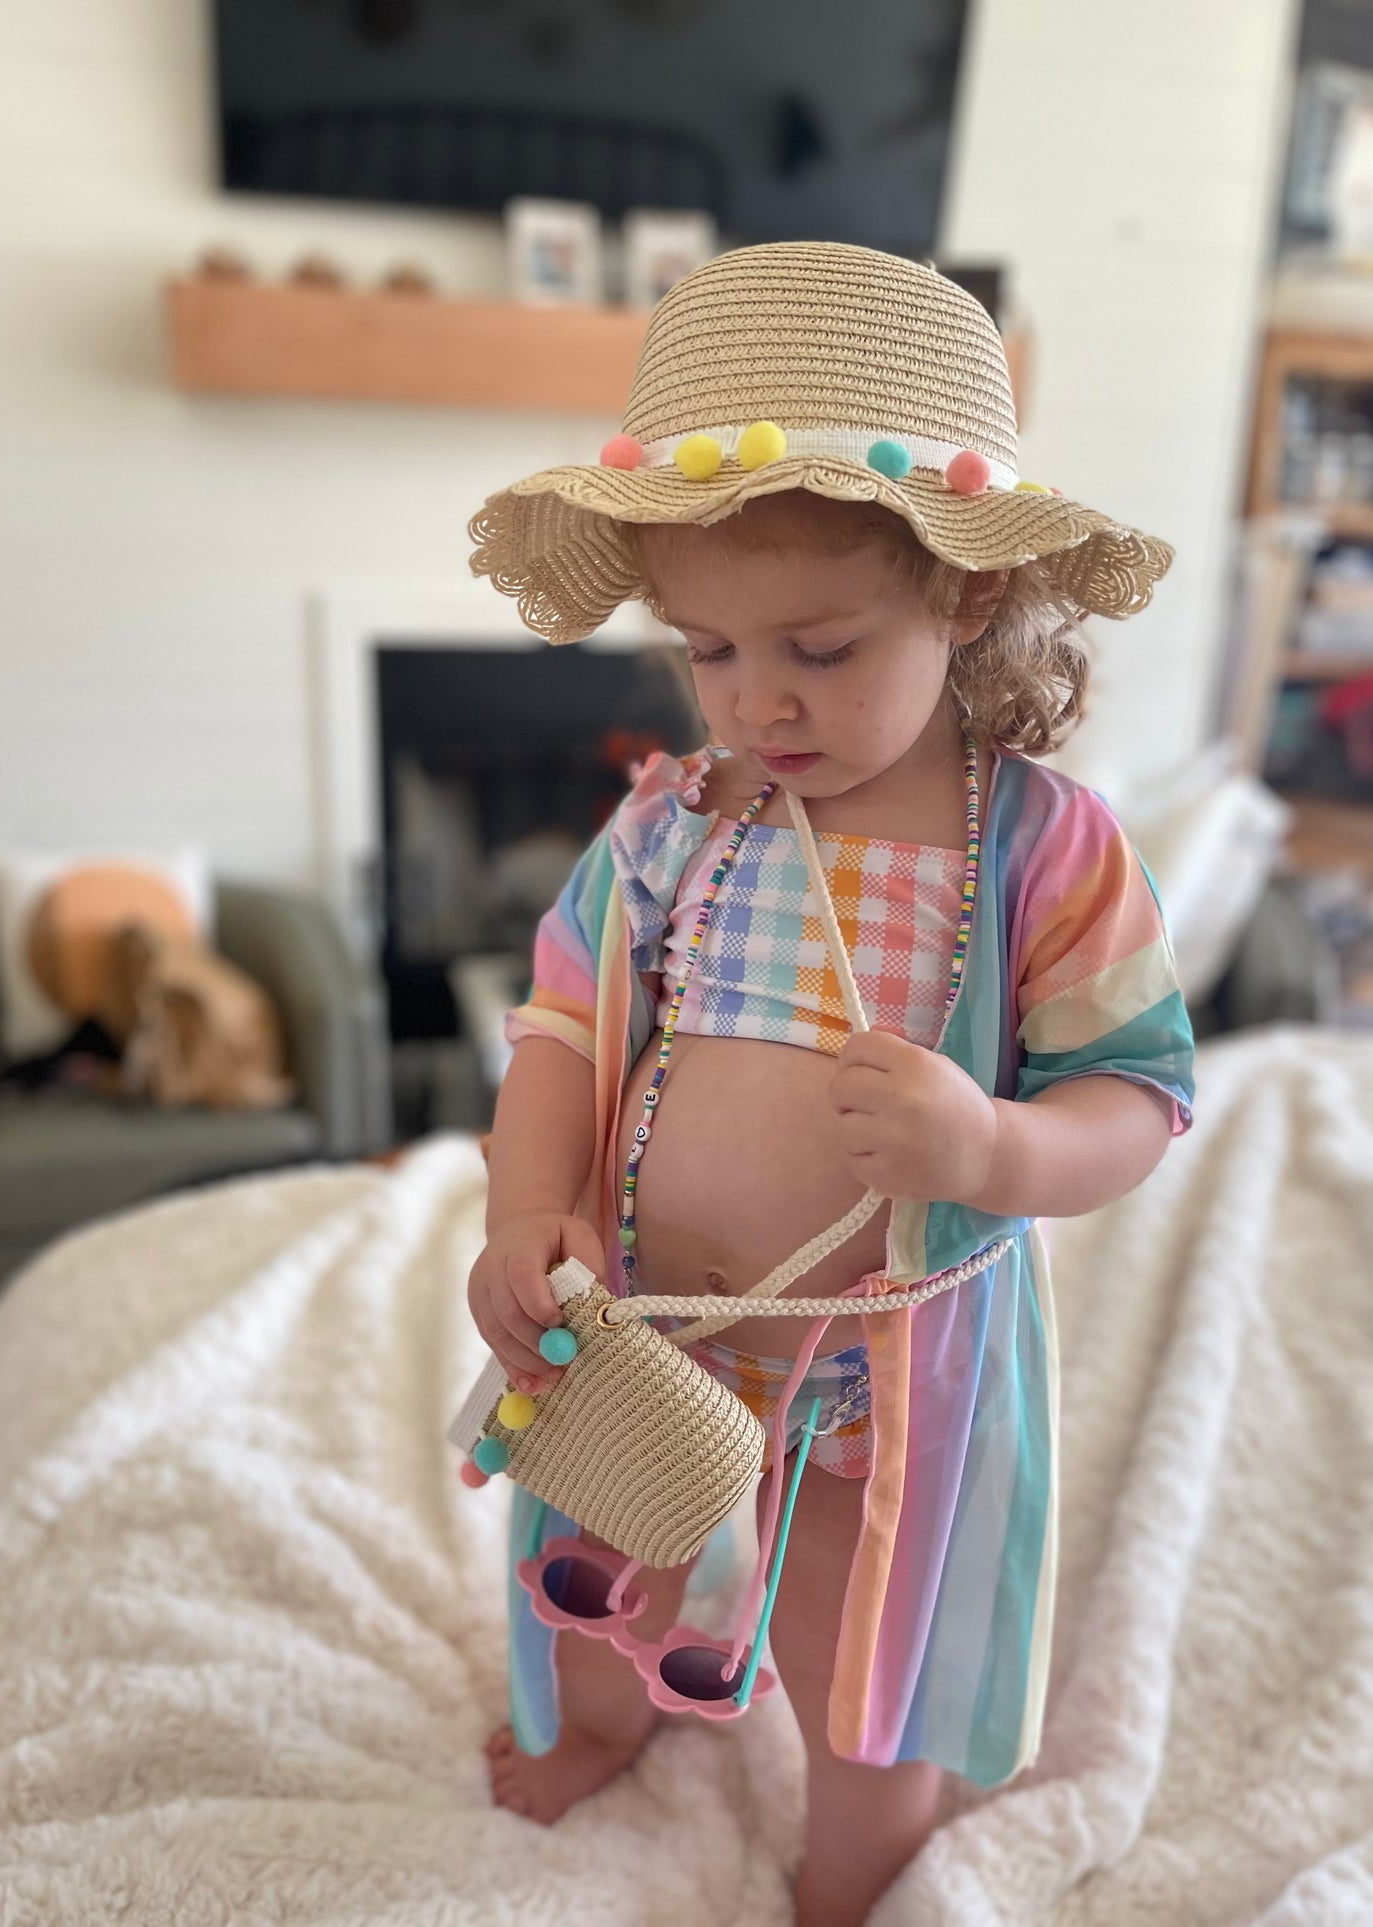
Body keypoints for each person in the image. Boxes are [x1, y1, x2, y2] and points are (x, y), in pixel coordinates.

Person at [462, 242, 1195, 1927]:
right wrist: (527, 1211)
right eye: (708, 651)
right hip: (641, 1325)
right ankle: (597, 1731)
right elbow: (563, 1032)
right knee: (597, 1562)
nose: (755, 700)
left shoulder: (1037, 848)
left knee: (862, 1658)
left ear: (970, 597)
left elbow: (1137, 1096)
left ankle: (853, 1869)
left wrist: (992, 1140)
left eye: (816, 643)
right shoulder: (671, 819)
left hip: (880, 1382)